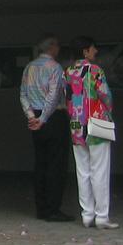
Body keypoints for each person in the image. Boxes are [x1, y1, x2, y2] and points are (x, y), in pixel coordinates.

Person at [65, 36, 119, 230]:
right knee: (100, 169)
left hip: (76, 124)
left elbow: (66, 97)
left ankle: (86, 215)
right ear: (85, 51)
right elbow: (105, 95)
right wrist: (108, 111)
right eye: (93, 48)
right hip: (97, 122)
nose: (95, 51)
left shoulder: (67, 72)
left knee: (83, 171)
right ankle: (101, 216)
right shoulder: (95, 70)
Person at [19, 35, 72, 221]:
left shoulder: (29, 67)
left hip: (35, 118)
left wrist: (32, 117)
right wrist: (43, 119)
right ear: (52, 47)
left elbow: (23, 94)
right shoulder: (55, 67)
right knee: (56, 164)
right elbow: (54, 95)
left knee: (41, 163)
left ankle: (41, 208)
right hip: (54, 117)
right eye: (58, 45)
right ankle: (52, 209)